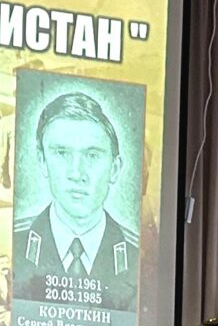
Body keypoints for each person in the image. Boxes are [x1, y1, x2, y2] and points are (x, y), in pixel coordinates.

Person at [10, 90, 139, 310]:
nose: (77, 173)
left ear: (115, 168)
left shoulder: (138, 255)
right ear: (42, 162)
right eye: (62, 153)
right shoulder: (13, 243)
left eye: (92, 155)